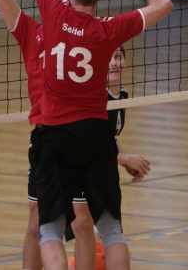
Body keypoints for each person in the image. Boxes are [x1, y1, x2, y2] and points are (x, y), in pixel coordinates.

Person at [3, 0, 173, 270]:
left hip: (55, 132)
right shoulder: (107, 30)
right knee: (110, 229)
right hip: (94, 132)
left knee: (51, 228)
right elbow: (163, 5)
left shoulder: (53, 13)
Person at [0, 0, 72, 270]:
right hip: (44, 136)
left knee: (83, 223)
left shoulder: (85, 32)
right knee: (37, 222)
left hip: (78, 133)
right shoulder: (32, 34)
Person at [68, 46, 151, 270]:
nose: (113, 63)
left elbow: (109, 138)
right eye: (107, 57)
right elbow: (89, 148)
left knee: (105, 241)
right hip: (82, 175)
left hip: (102, 177)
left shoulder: (121, 94)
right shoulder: (94, 98)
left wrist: (124, 160)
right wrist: (125, 159)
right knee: (97, 241)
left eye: (118, 57)